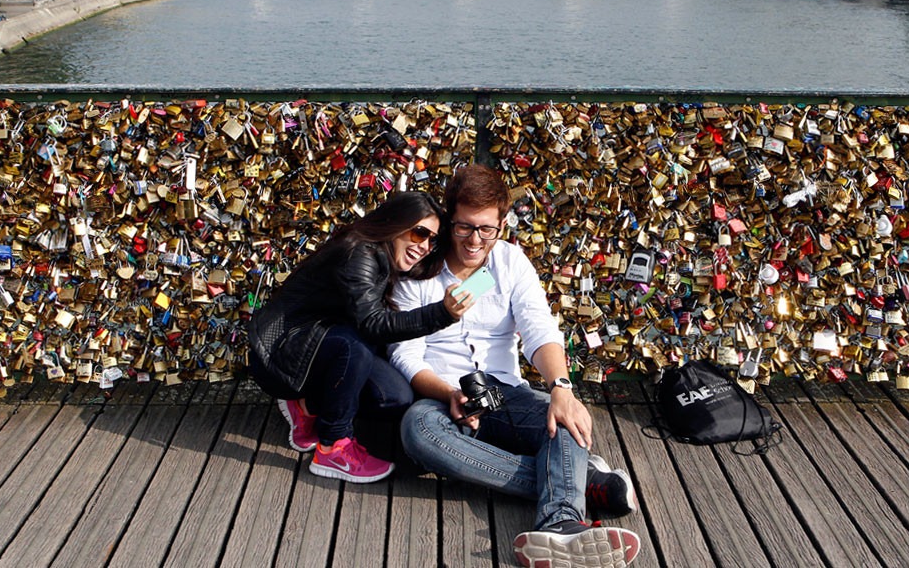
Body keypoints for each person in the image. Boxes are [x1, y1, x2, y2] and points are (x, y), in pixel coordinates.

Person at [390, 165, 640, 568]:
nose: (474, 240)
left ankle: (560, 524)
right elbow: (405, 354)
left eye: (486, 229)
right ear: (449, 220)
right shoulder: (419, 270)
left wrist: (561, 387)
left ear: (502, 225)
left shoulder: (509, 262)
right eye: (464, 228)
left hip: (506, 391)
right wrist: (448, 393)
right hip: (445, 398)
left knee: (567, 419)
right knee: (417, 431)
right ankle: (577, 485)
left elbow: (539, 327)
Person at [248, 191, 475, 484]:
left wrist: (473, 257)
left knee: (394, 397)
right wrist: (442, 313)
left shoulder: (389, 257)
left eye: (432, 241)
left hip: (321, 346)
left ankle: (306, 406)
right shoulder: (359, 252)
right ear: (396, 223)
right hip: (281, 355)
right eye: (420, 233)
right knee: (355, 344)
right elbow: (372, 324)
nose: (425, 246)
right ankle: (333, 445)